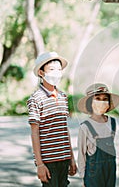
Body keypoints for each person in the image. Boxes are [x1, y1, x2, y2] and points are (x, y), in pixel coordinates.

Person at [27, 51, 77, 186]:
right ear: (41, 73)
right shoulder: (35, 99)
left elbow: (64, 130)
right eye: (52, 69)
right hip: (48, 162)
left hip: (64, 158)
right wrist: (40, 164)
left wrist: (71, 158)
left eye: (59, 69)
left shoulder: (63, 97)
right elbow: (34, 132)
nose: (56, 73)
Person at [77, 83, 119, 187]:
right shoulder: (85, 127)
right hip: (93, 174)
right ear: (90, 102)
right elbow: (81, 154)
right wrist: (83, 177)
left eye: (105, 99)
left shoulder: (112, 122)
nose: (102, 102)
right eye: (98, 98)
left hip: (110, 170)